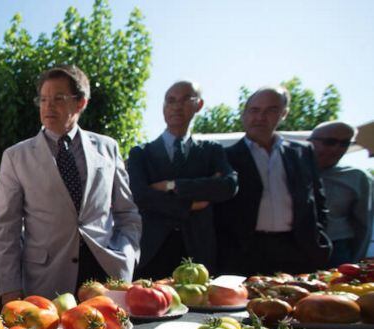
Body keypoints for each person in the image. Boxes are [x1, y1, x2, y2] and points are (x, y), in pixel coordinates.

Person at [0, 64, 141, 302]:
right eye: (43, 99)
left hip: (107, 273)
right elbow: (5, 228)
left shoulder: (108, 148)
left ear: (81, 102)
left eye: (58, 98)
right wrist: (9, 287)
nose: (48, 106)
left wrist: (127, 253)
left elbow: (127, 212)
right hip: (46, 280)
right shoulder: (16, 156)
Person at [127, 81, 237, 279]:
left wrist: (173, 185)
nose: (177, 106)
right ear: (163, 108)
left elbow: (228, 186)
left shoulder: (212, 151)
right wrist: (190, 203)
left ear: (199, 105)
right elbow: (141, 196)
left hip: (198, 253)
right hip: (152, 252)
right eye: (171, 100)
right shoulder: (141, 154)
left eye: (186, 99)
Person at [216, 86, 331, 275]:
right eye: (254, 110)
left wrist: (317, 237)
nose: (260, 117)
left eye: (271, 110)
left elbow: (318, 200)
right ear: (244, 115)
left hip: (298, 250)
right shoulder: (224, 157)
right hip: (245, 252)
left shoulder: (302, 152)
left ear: (283, 113)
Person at [309, 121, 373, 266]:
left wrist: (356, 263)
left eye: (344, 144)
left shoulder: (357, 177)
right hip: (292, 248)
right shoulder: (289, 169)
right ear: (311, 142)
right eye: (329, 142)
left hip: (337, 249)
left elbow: (363, 225)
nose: (336, 149)